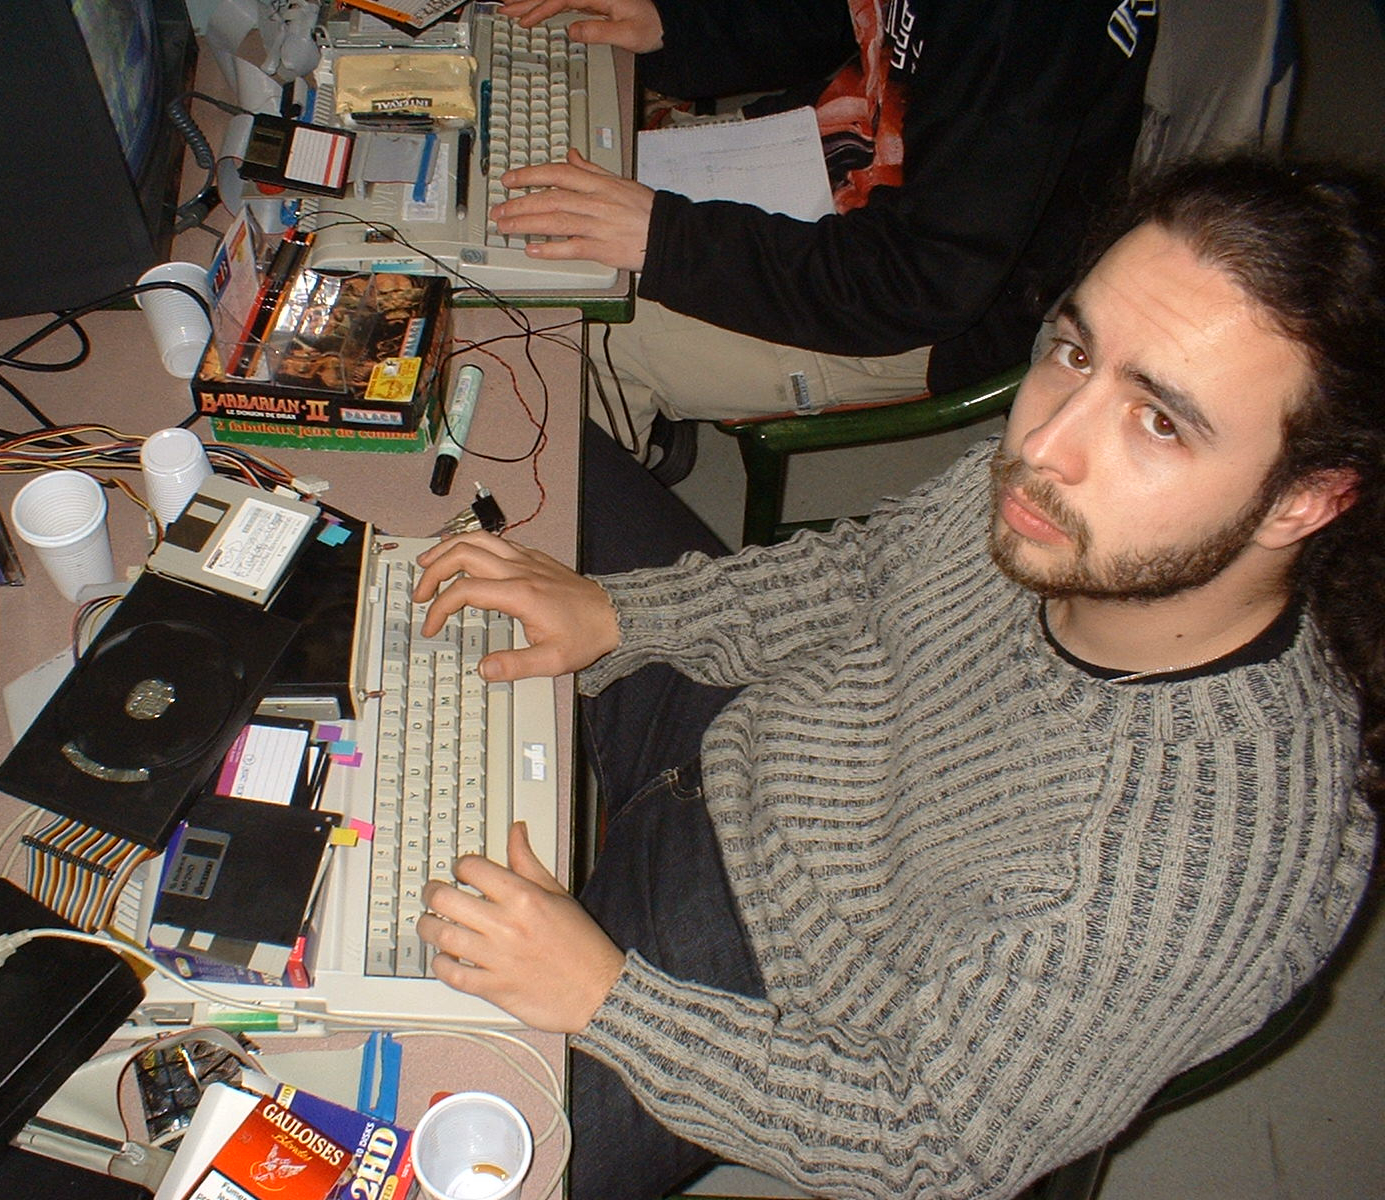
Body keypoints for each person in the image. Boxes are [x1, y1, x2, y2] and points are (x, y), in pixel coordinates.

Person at [408, 156, 1385, 1200]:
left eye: (1160, 421)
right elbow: (872, 572)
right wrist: (624, 616)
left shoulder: (1183, 869)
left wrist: (609, 1000)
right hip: (757, 737)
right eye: (1074, 352)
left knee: (406, 1154)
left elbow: (929, 1148)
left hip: (777, 986)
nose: (1043, 441)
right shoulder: (1062, 504)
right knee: (484, 427)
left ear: (1305, 500)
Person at [492, 0, 1159, 465]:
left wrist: (664, 239)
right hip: (866, 170)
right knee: (584, 183)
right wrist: (673, 26)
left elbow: (918, 283)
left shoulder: (1024, 28)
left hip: (942, 303)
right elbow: (838, 15)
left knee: (572, 323)